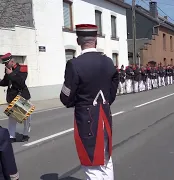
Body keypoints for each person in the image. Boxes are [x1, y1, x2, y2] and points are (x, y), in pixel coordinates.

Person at [60, 24, 119, 180]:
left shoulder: (74, 64)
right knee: (106, 161)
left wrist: (78, 102)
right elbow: (114, 86)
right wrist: (106, 102)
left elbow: (66, 97)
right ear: (96, 41)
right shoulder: (107, 61)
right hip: (105, 114)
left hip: (86, 118)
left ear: (78, 41)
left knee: (91, 164)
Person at [0, 53, 31, 143]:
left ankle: (25, 135)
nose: (5, 65)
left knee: (26, 119)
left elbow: (21, 82)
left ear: (12, 61)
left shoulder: (22, 69)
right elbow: (6, 82)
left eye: (6, 63)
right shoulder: (8, 70)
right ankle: (11, 136)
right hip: (12, 98)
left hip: (22, 97)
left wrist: (12, 74)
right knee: (12, 118)